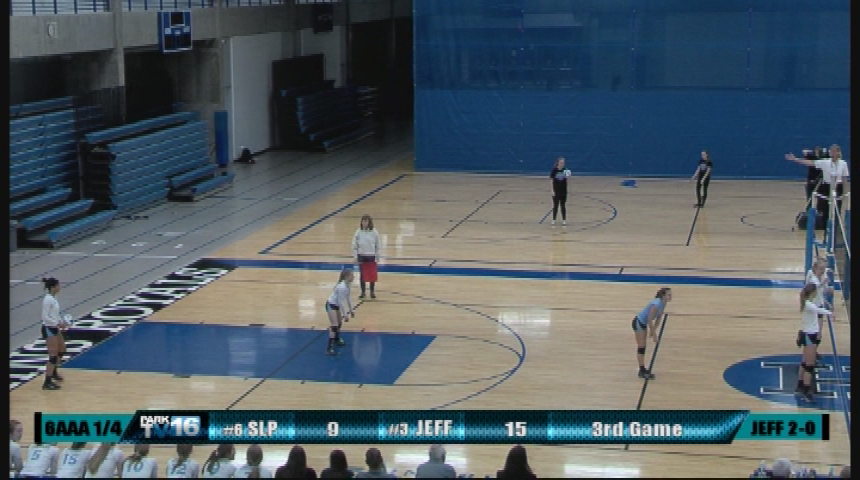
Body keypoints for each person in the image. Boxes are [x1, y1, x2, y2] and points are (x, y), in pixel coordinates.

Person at [786, 144, 850, 221]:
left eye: (834, 151)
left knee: (836, 210)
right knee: (823, 209)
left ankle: (836, 226)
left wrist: (845, 193)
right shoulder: (825, 162)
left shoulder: (843, 163)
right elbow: (810, 162)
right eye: (831, 151)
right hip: (826, 187)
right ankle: (823, 226)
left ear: (838, 152)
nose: (832, 153)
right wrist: (795, 159)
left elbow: (844, 179)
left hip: (838, 187)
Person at [797, 283, 832, 402]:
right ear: (812, 293)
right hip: (810, 336)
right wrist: (831, 313)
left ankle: (800, 385)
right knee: (809, 365)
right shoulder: (809, 304)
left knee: (804, 362)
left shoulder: (806, 302)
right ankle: (806, 391)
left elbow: (817, 306)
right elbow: (818, 309)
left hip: (807, 334)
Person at [632, 288, 672, 379]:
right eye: (669, 295)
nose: (670, 297)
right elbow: (650, 319)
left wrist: (654, 329)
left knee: (643, 346)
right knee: (641, 347)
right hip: (639, 322)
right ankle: (641, 370)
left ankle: (642, 369)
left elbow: (659, 317)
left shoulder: (663, 303)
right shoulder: (656, 304)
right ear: (663, 296)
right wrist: (654, 335)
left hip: (643, 323)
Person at [41, 277, 68, 390]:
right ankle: (47, 382)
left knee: (62, 349)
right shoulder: (48, 299)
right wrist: (57, 323)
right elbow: (45, 317)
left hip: (55, 327)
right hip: (49, 328)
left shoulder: (54, 298)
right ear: (53, 287)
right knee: (53, 355)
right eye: (58, 285)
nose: (60, 287)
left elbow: (55, 314)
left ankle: (53, 371)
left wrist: (62, 322)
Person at [325, 269, 355, 356]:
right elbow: (340, 301)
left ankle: (336, 339)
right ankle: (329, 348)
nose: (353, 277)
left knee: (339, 323)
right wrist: (345, 315)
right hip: (331, 305)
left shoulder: (348, 285)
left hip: (336, 305)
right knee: (334, 326)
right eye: (352, 275)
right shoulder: (342, 287)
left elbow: (348, 298)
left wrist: (352, 310)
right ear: (346, 276)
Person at [352, 214, 381, 299]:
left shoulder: (374, 232)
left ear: (369, 222)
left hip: (371, 255)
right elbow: (354, 245)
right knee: (362, 275)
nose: (364, 223)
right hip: (361, 255)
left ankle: (372, 292)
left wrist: (377, 256)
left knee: (372, 275)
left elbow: (378, 245)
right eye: (363, 221)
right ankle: (363, 292)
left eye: (366, 221)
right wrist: (355, 256)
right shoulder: (358, 232)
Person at [548, 157, 571, 226]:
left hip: (563, 190)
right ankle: (553, 220)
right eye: (561, 162)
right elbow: (551, 180)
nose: (562, 164)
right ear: (558, 163)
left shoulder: (565, 170)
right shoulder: (554, 170)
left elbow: (567, 180)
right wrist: (552, 190)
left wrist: (568, 177)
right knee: (555, 205)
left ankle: (564, 220)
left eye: (563, 163)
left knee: (563, 205)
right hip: (556, 190)